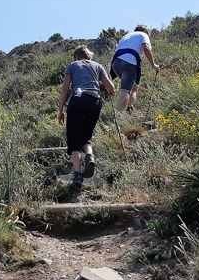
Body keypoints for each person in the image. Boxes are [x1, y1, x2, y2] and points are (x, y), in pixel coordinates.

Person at [58, 46, 115, 188]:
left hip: (77, 100)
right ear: (88, 55)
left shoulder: (73, 65)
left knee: (74, 140)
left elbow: (65, 88)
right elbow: (111, 88)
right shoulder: (98, 66)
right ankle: (90, 156)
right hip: (95, 102)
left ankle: (77, 176)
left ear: (76, 56)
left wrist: (60, 110)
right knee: (86, 136)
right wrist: (104, 88)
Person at [110, 26, 159, 111]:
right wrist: (153, 65)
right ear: (145, 32)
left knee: (130, 86)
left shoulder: (126, 36)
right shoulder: (143, 35)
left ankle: (128, 107)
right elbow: (146, 48)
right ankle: (120, 113)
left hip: (116, 63)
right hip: (130, 63)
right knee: (127, 90)